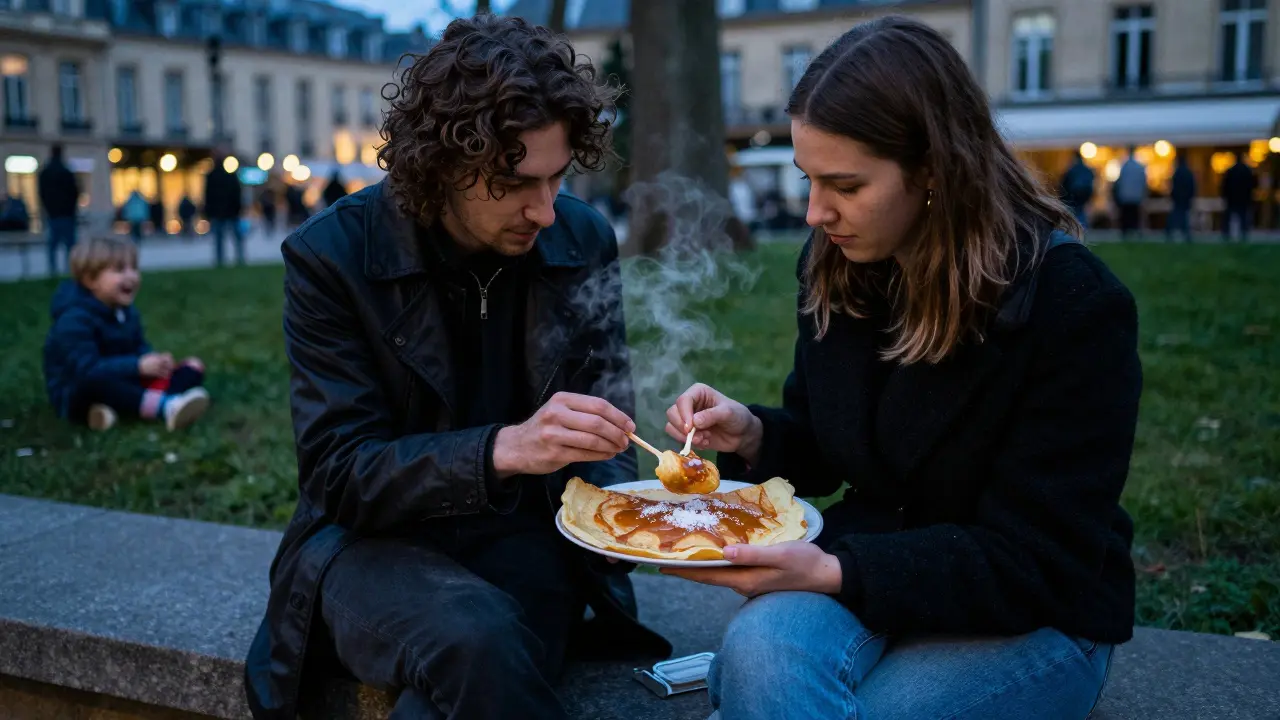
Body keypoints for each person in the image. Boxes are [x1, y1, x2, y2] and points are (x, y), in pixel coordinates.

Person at [661, 16, 1141, 720]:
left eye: (845, 185)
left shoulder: (1073, 306)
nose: (815, 212)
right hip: (874, 561)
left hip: (1032, 609)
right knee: (760, 663)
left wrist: (835, 570)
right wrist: (752, 435)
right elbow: (831, 446)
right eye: (808, 179)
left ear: (934, 173)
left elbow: (1040, 557)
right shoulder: (837, 265)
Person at [243, 15, 670, 720]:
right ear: (442, 164)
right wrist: (502, 450)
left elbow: (607, 428)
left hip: (527, 539)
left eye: (557, 177)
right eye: (514, 183)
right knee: (475, 638)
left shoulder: (581, 238)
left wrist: (626, 516)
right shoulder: (333, 257)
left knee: (474, 664)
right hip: (366, 547)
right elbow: (339, 474)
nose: (545, 210)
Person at [42, 236, 211, 432]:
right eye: (120, 270)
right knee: (98, 384)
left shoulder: (124, 312)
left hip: (123, 376)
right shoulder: (74, 321)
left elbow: (137, 345)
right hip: (79, 391)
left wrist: (153, 361)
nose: (131, 276)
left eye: (134, 268)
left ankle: (112, 411)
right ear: (90, 280)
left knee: (193, 367)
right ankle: (167, 406)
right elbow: (87, 370)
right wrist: (137, 366)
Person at [38, 144, 79, 275]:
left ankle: (53, 270)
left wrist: (47, 209)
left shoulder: (46, 172)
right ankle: (70, 270)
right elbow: (75, 192)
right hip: (67, 214)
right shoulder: (66, 171)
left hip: (53, 214)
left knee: (52, 246)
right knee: (70, 245)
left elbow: (41, 193)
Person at [205, 148, 245, 266]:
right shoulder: (230, 175)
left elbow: (208, 195)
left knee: (219, 239)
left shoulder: (212, 176)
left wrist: (208, 211)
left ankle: (220, 261)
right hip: (230, 211)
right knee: (235, 238)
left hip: (220, 212)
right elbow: (237, 193)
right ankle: (239, 259)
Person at [1113, 146, 1147, 239]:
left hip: (1125, 195)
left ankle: (1126, 233)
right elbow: (1143, 182)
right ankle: (1135, 232)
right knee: (1135, 215)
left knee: (1126, 215)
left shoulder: (1125, 166)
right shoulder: (1139, 166)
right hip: (1136, 196)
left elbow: (1120, 181)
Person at [1221, 154, 1256, 243]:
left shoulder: (1231, 171)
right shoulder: (1247, 171)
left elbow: (1225, 186)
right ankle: (1243, 235)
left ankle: (1226, 234)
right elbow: (1251, 185)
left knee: (1228, 218)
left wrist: (1225, 196)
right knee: (1243, 218)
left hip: (1232, 199)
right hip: (1243, 199)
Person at [1059, 151, 1095, 229]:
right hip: (1084, 194)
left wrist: (1063, 196)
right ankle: (1083, 227)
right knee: (1081, 211)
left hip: (1073, 195)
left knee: (1075, 212)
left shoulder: (1072, 169)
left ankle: (1076, 228)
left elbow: (1065, 183)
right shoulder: (1086, 169)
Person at [1167, 154, 1196, 243]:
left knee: (1176, 215)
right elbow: (1192, 186)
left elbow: (1173, 186)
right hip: (1186, 199)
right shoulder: (1188, 173)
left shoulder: (1177, 173)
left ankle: (1170, 232)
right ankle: (1186, 234)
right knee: (1184, 217)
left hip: (1178, 198)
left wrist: (1172, 195)